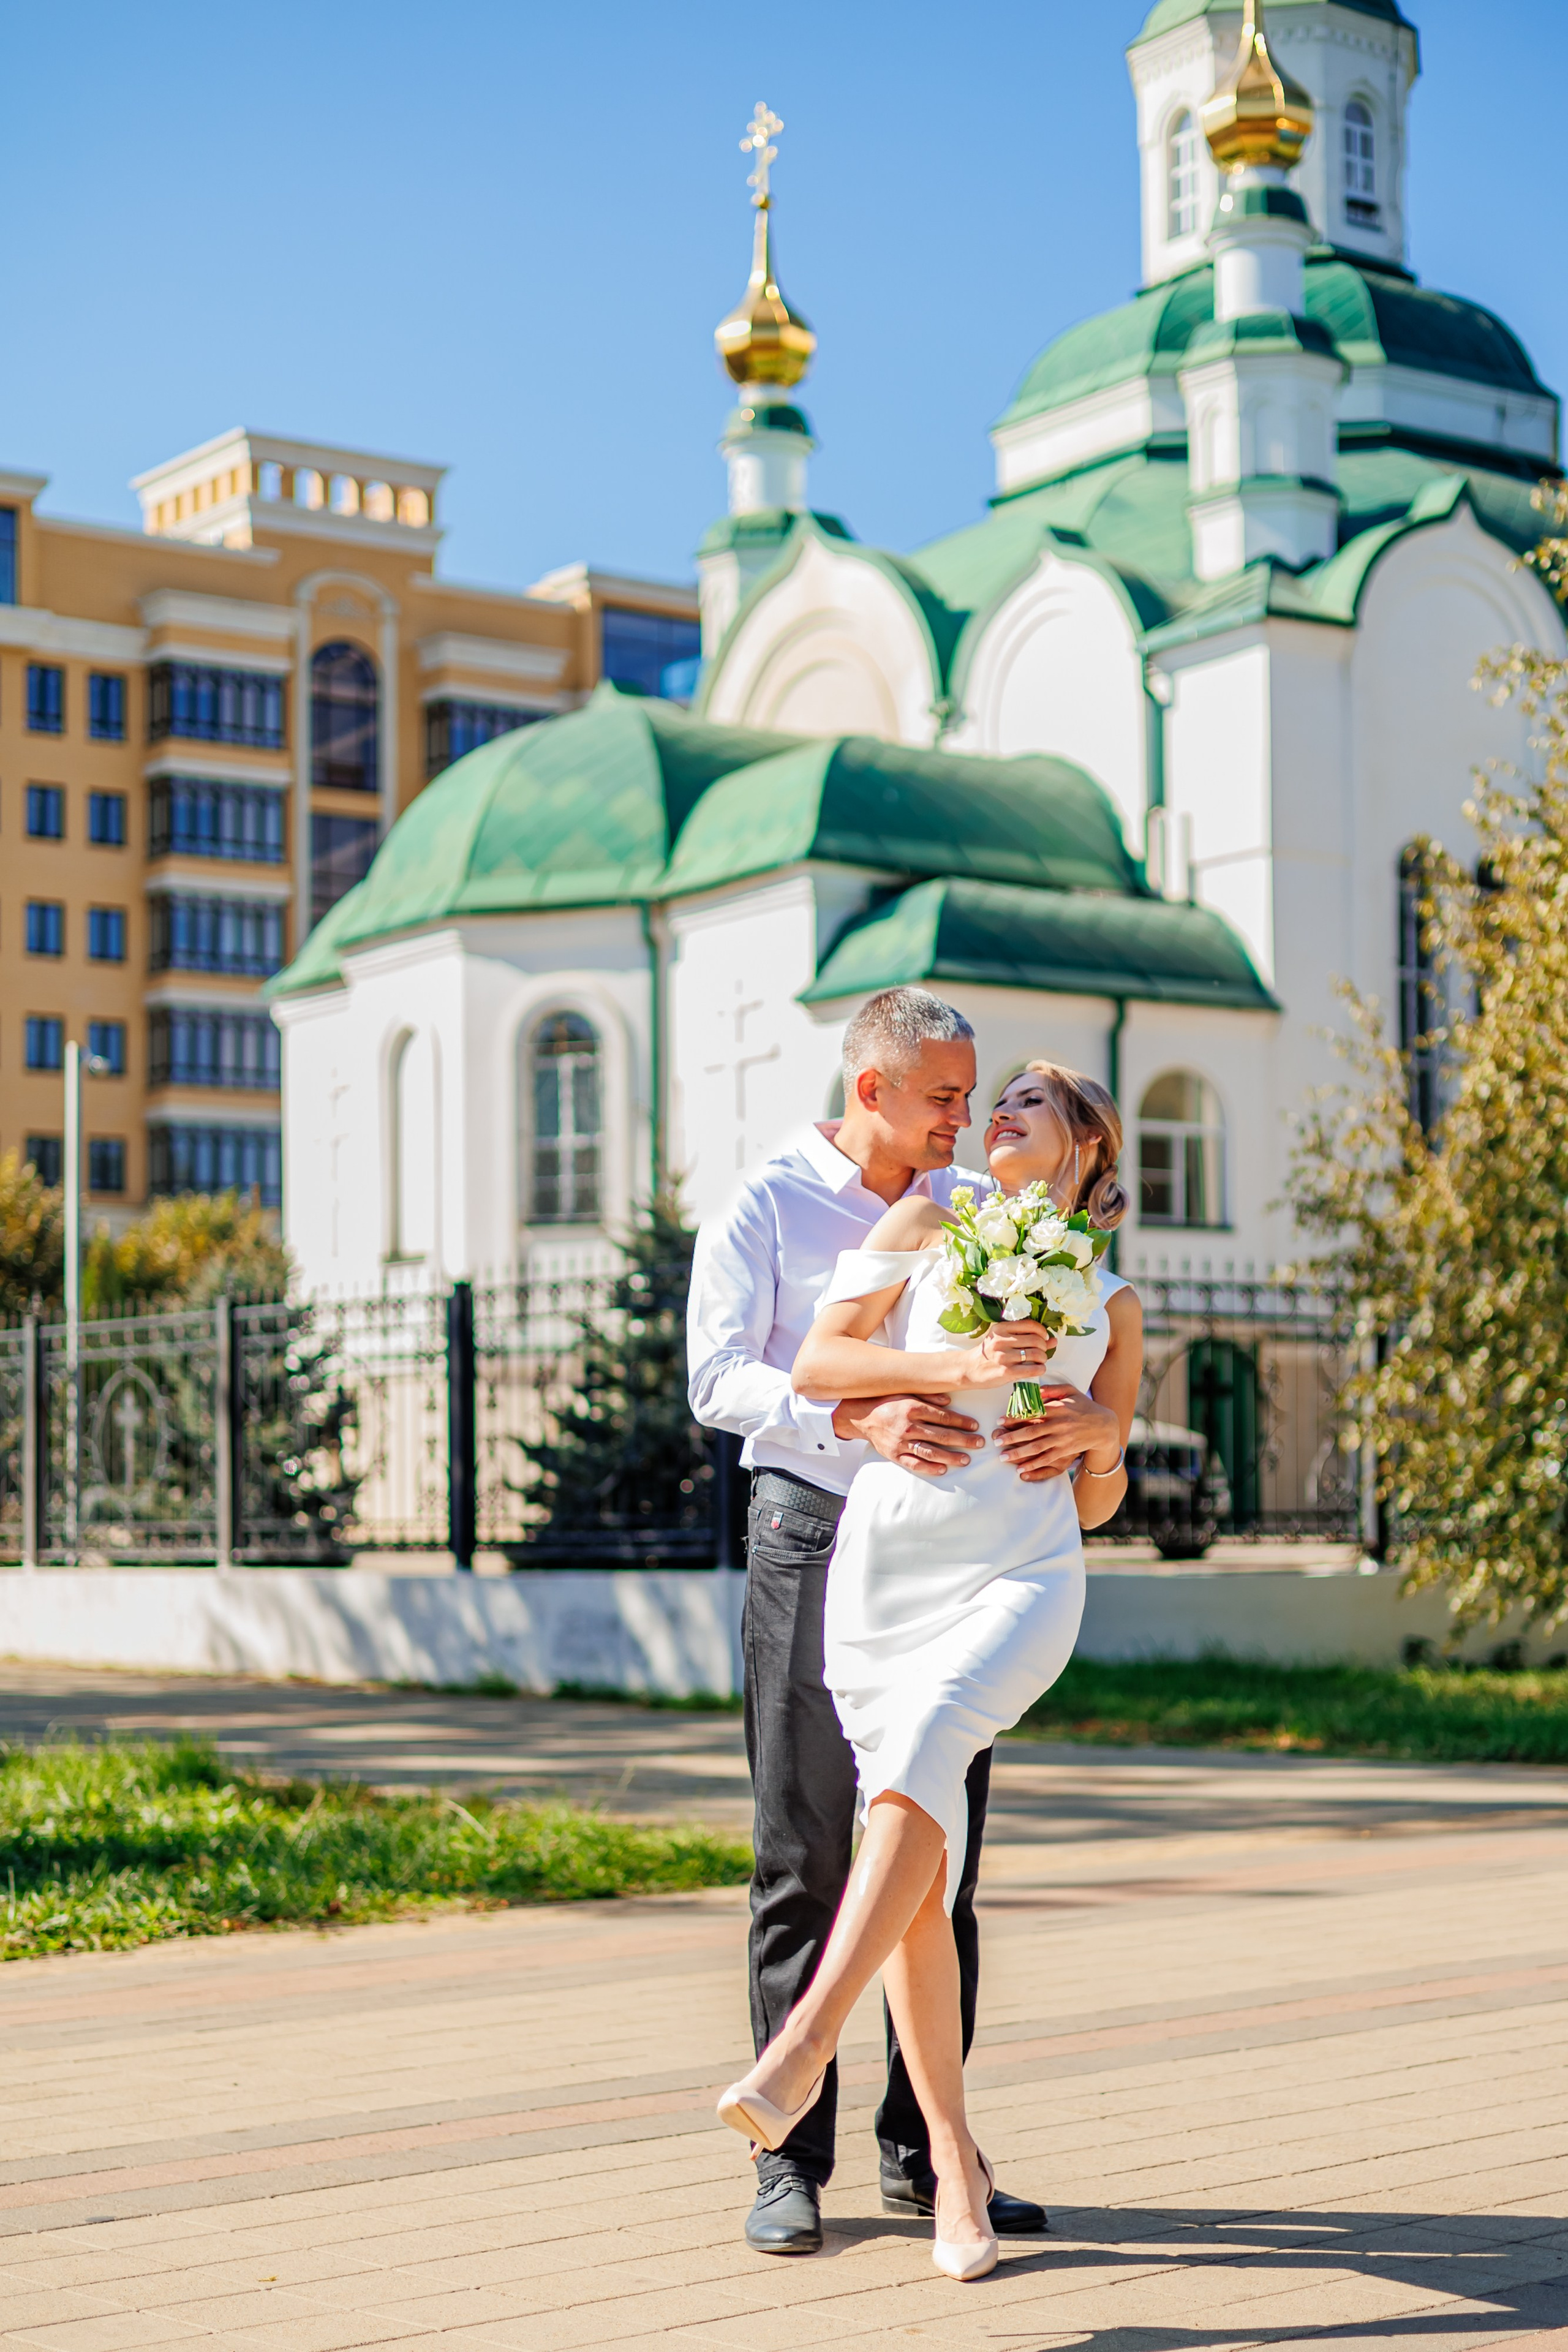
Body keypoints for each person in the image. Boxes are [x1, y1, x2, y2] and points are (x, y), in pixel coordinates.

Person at [717, 1061, 1142, 2281]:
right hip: (890, 1571)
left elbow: (1099, 1498)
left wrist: (1097, 1439)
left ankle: (803, 2045)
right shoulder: (921, 1221)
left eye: (1025, 1105)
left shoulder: (1109, 1302)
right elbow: (817, 1366)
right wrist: (945, 1370)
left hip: (1020, 1577)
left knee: (919, 1765)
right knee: (919, 1840)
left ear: (1080, 1149)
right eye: (988, 1101)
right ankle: (954, 2171)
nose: (991, 1117)